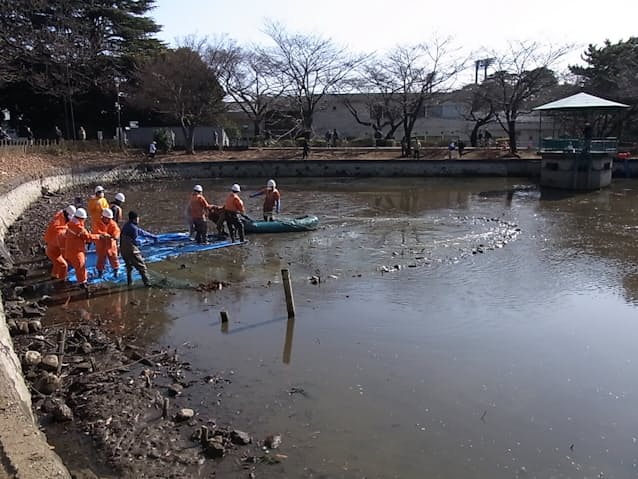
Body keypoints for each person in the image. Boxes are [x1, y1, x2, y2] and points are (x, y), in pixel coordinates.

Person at [63, 208, 103, 290]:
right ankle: (82, 284)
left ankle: (80, 280)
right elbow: (88, 237)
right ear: (81, 219)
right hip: (77, 251)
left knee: (78, 267)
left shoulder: (70, 224)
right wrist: (98, 236)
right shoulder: (79, 228)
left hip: (69, 250)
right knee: (81, 267)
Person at [120, 211, 158, 287]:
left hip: (123, 250)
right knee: (142, 267)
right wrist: (143, 242)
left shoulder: (127, 225)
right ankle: (147, 284)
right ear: (135, 219)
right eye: (137, 218)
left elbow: (141, 232)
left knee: (129, 267)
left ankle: (129, 283)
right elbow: (135, 239)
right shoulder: (133, 228)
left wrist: (152, 236)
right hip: (131, 250)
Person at [43, 205, 76, 280]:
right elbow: (64, 251)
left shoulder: (63, 216)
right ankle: (62, 280)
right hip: (52, 243)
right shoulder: (58, 224)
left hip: (53, 245)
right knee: (64, 265)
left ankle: (54, 275)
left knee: (56, 263)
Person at [94, 208, 121, 278]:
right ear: (103, 217)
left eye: (110, 218)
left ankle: (116, 271)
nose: (109, 220)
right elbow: (96, 231)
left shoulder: (112, 223)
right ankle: (100, 272)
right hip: (101, 245)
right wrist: (104, 234)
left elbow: (117, 230)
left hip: (111, 245)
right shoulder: (97, 223)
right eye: (108, 218)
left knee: (114, 258)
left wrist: (115, 236)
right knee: (101, 260)